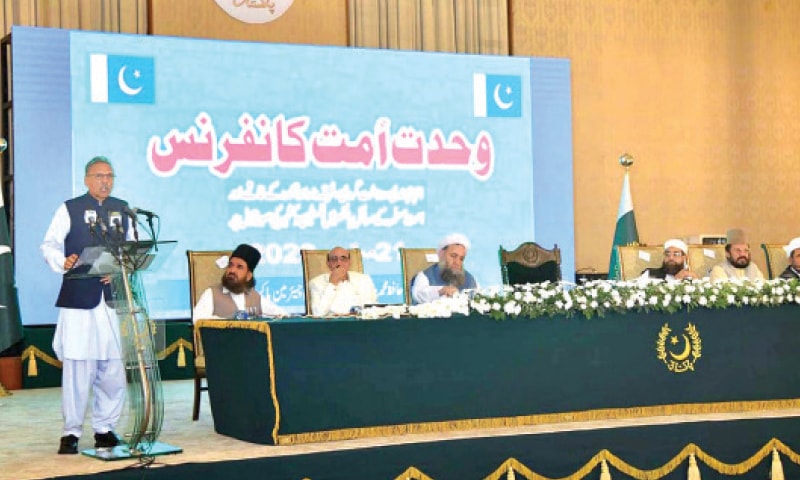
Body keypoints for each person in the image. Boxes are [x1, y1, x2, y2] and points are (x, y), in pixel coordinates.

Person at [41, 156, 131, 454]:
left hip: (112, 300)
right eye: (99, 176)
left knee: (113, 369)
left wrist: (121, 269)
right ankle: (71, 432)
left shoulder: (124, 209)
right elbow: (50, 245)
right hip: (79, 299)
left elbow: (133, 251)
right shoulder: (69, 208)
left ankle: (105, 429)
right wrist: (62, 261)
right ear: (86, 179)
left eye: (109, 175)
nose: (105, 181)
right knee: (79, 366)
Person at [192, 243, 286, 321]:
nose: (232, 270)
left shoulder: (255, 297)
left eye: (239, 267)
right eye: (230, 265)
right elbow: (198, 320)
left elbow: (282, 315)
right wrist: (231, 323)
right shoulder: (211, 294)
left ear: (248, 276)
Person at [308, 246, 378, 316]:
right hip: (333, 325)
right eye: (334, 259)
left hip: (361, 324)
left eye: (343, 259)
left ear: (349, 262)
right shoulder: (316, 283)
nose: (339, 263)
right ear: (328, 264)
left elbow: (374, 308)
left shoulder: (364, 279)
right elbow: (317, 314)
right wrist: (332, 284)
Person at [411, 233, 478, 304]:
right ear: (441, 254)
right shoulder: (425, 276)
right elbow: (417, 295)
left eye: (461, 259)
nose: (457, 262)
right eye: (453, 256)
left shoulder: (470, 280)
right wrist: (440, 291)